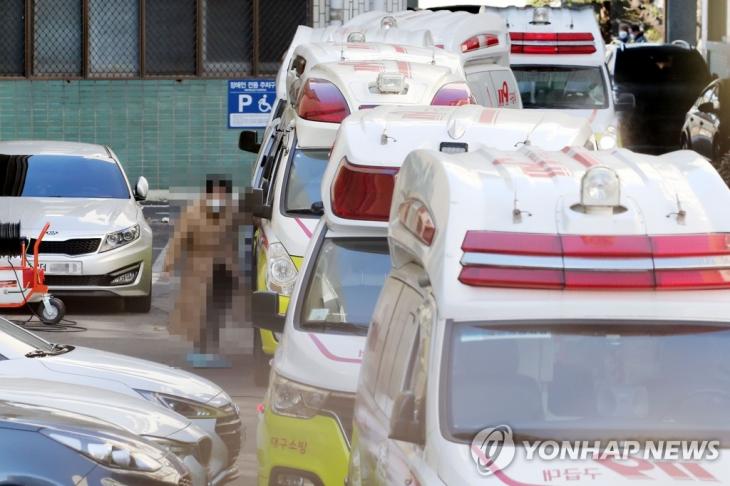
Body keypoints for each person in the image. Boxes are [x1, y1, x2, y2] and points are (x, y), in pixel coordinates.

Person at [163, 175, 249, 367]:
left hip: (225, 269)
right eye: (215, 192)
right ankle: (200, 348)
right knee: (200, 311)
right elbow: (179, 239)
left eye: (222, 193)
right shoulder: (193, 211)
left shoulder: (231, 211)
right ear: (208, 193)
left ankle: (212, 348)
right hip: (199, 270)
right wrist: (169, 264)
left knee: (218, 310)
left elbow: (248, 219)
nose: (219, 197)